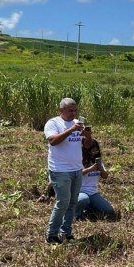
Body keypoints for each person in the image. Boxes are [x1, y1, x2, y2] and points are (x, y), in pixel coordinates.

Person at [44, 98, 85, 244]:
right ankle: (51, 234)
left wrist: (88, 134)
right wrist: (70, 130)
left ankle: (66, 232)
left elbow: (83, 144)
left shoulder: (77, 124)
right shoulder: (53, 123)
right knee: (63, 202)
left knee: (73, 202)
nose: (73, 113)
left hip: (77, 169)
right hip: (60, 170)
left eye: (75, 110)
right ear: (61, 110)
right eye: (70, 110)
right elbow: (53, 141)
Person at [75, 125, 116, 220]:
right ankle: (76, 214)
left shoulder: (97, 161)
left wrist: (101, 169)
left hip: (93, 193)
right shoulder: (77, 160)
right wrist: (91, 168)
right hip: (79, 192)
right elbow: (78, 173)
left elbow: (105, 176)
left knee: (109, 211)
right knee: (83, 199)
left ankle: (88, 208)